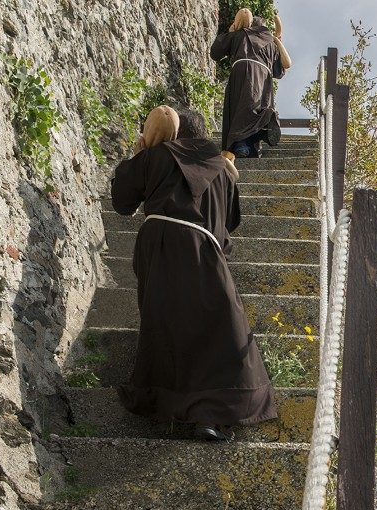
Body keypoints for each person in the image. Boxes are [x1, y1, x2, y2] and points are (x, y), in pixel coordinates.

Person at [111, 106, 277, 441]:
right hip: (206, 249)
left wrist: (139, 156)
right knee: (220, 332)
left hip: (158, 243)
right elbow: (228, 225)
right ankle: (209, 416)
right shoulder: (223, 171)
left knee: (165, 322)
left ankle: (161, 401)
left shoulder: (156, 155)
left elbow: (122, 202)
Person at [211, 9, 293, 158]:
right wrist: (277, 40)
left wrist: (231, 31)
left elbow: (216, 52)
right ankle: (267, 122)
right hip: (264, 78)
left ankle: (241, 144)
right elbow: (284, 67)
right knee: (257, 108)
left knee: (240, 108)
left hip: (242, 72)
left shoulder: (240, 34)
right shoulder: (269, 42)